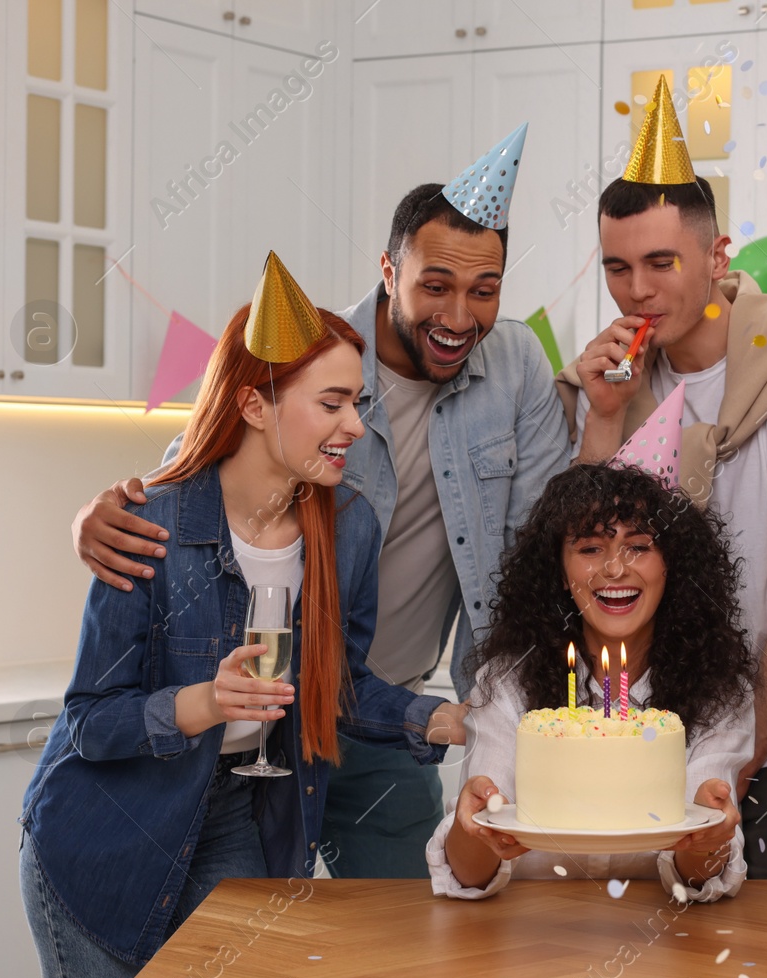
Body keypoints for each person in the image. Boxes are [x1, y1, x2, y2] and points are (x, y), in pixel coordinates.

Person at [69, 127, 569, 878]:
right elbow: (194, 476)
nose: (460, 315)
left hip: (381, 708)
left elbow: (539, 548)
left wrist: (497, 719)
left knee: (404, 932)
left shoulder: (517, 366)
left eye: (484, 290)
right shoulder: (313, 359)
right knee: (260, 946)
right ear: (389, 271)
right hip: (261, 716)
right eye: (435, 284)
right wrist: (91, 517)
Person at [19, 256, 468, 978]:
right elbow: (88, 722)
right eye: (330, 403)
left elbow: (339, 688)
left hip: (235, 812)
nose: (355, 427)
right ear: (254, 403)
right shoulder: (151, 521)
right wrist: (203, 702)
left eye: (356, 403)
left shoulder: (350, 527)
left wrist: (440, 716)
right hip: (108, 832)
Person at [562, 77, 767, 879]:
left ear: (716, 255)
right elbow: (587, 565)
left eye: (662, 262)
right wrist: (602, 420)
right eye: (618, 267)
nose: (638, 290)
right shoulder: (618, 388)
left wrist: (729, 768)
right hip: (638, 754)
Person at [429, 463, 757, 899]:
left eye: (638, 546)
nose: (615, 569)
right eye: (589, 549)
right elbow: (468, 874)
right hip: (526, 937)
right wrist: (473, 828)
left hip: (662, 943)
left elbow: (699, 876)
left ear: (672, 566)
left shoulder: (719, 692)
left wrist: (709, 837)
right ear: (560, 571)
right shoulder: (508, 682)